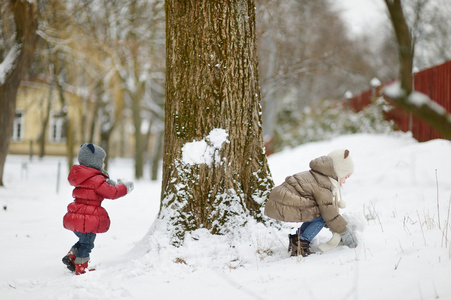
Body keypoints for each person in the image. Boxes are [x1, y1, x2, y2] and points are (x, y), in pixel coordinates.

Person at [264, 149, 358, 257]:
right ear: (338, 171)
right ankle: (301, 244)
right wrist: (344, 231)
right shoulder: (324, 184)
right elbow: (328, 212)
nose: (345, 181)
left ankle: (297, 239)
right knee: (322, 215)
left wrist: (333, 224)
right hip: (285, 202)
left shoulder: (318, 176)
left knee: (318, 213)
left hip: (281, 199)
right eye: (345, 177)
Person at [62, 143, 134, 274]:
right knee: (87, 243)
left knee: (84, 240)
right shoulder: (96, 179)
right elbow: (111, 193)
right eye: (102, 161)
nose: (104, 164)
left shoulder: (84, 177)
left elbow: (98, 188)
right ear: (93, 161)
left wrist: (109, 183)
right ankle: (81, 267)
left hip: (75, 216)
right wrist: (125, 187)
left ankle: (71, 256)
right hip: (87, 218)